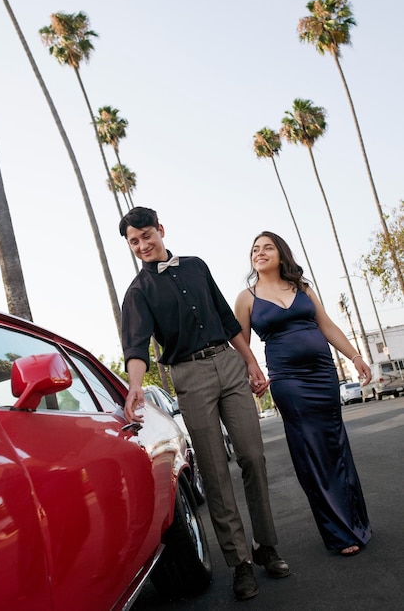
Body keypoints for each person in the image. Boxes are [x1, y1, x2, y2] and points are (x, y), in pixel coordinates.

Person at [119, 207, 290, 601]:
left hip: (229, 365)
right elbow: (136, 346)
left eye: (147, 235)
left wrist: (250, 363)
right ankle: (240, 563)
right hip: (189, 376)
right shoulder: (138, 292)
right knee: (213, 470)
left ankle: (267, 546)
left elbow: (229, 322)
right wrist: (134, 386)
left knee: (252, 455)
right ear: (130, 245)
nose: (143, 245)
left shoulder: (197, 267)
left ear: (160, 230)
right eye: (134, 241)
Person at [235, 231, 372, 557]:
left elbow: (327, 326)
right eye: (256, 249)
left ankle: (356, 520)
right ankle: (338, 531)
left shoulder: (303, 289)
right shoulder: (247, 297)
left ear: (281, 254)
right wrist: (251, 369)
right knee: (311, 450)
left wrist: (355, 357)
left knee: (336, 444)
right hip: (289, 381)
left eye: (268, 247)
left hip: (323, 375)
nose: (260, 252)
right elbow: (240, 342)